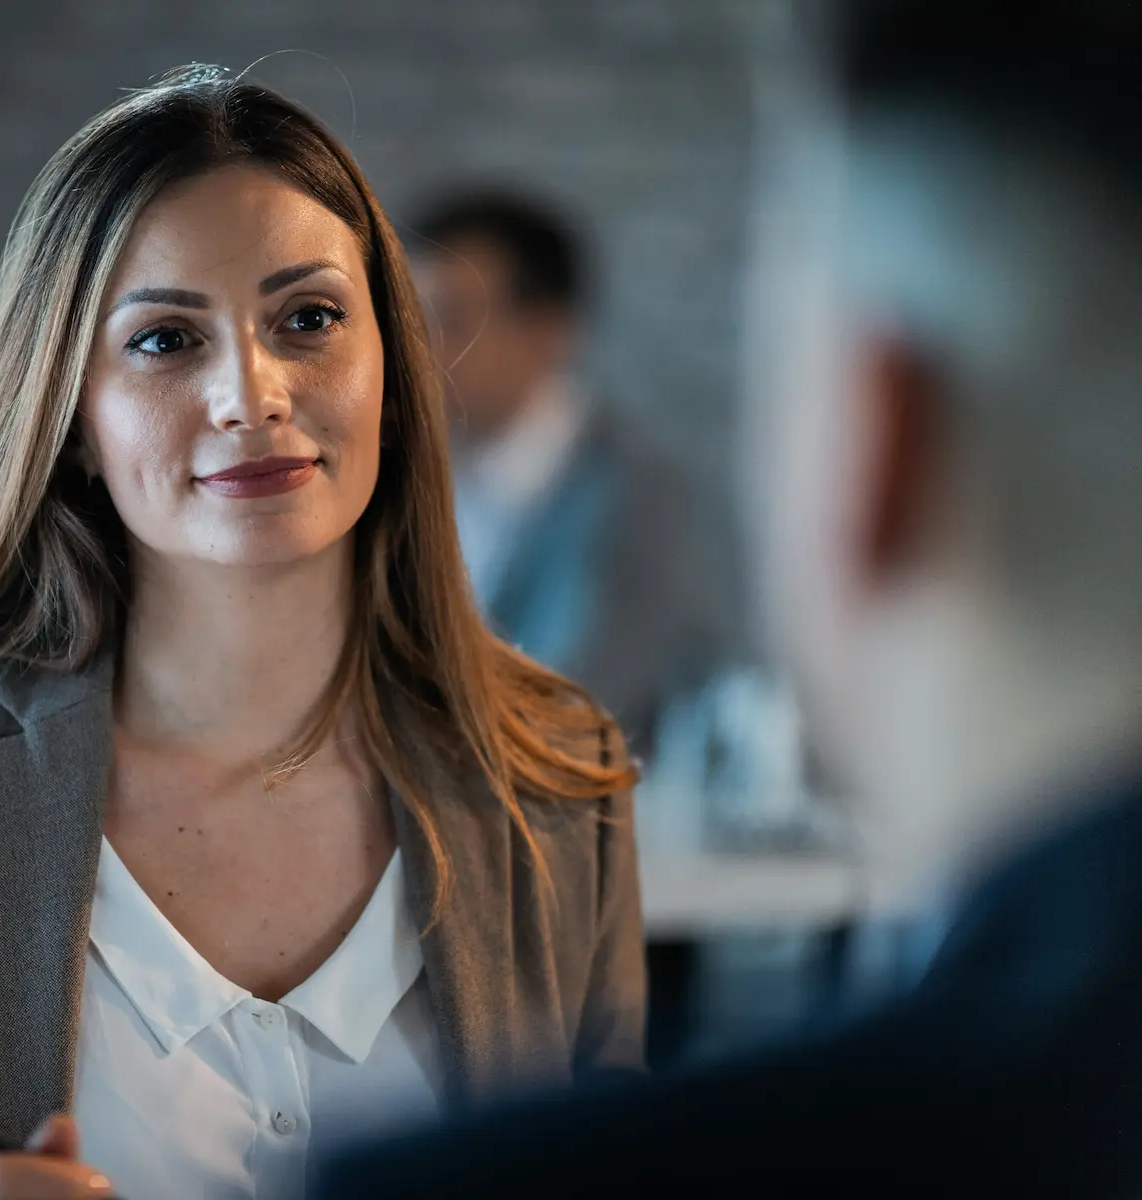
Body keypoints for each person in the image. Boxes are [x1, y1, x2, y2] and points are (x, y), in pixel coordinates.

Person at [0, 66, 645, 1200]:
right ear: (73, 419)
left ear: (392, 375)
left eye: (308, 318)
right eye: (166, 341)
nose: (251, 395)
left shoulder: (558, 776)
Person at [318, 0, 1142, 1195]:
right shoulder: (403, 491)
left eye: (444, 315)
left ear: (880, 441)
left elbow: (580, 695)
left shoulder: (500, 1184)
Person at [409, 193, 731, 751]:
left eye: (449, 320)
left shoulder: (640, 498)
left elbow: (584, 703)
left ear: (550, 330)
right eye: (404, 320)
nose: (417, 351)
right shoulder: (396, 476)